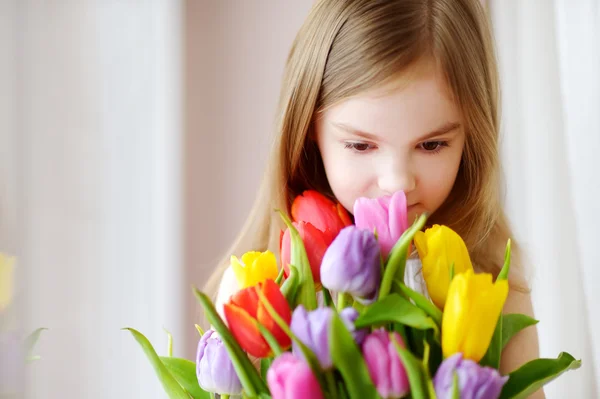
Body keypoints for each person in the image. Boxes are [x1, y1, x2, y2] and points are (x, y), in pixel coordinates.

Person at [205, 1, 543, 396]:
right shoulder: (263, 290)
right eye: (361, 145)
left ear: (472, 135)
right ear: (310, 127)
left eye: (432, 144)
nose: (396, 182)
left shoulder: (488, 284)